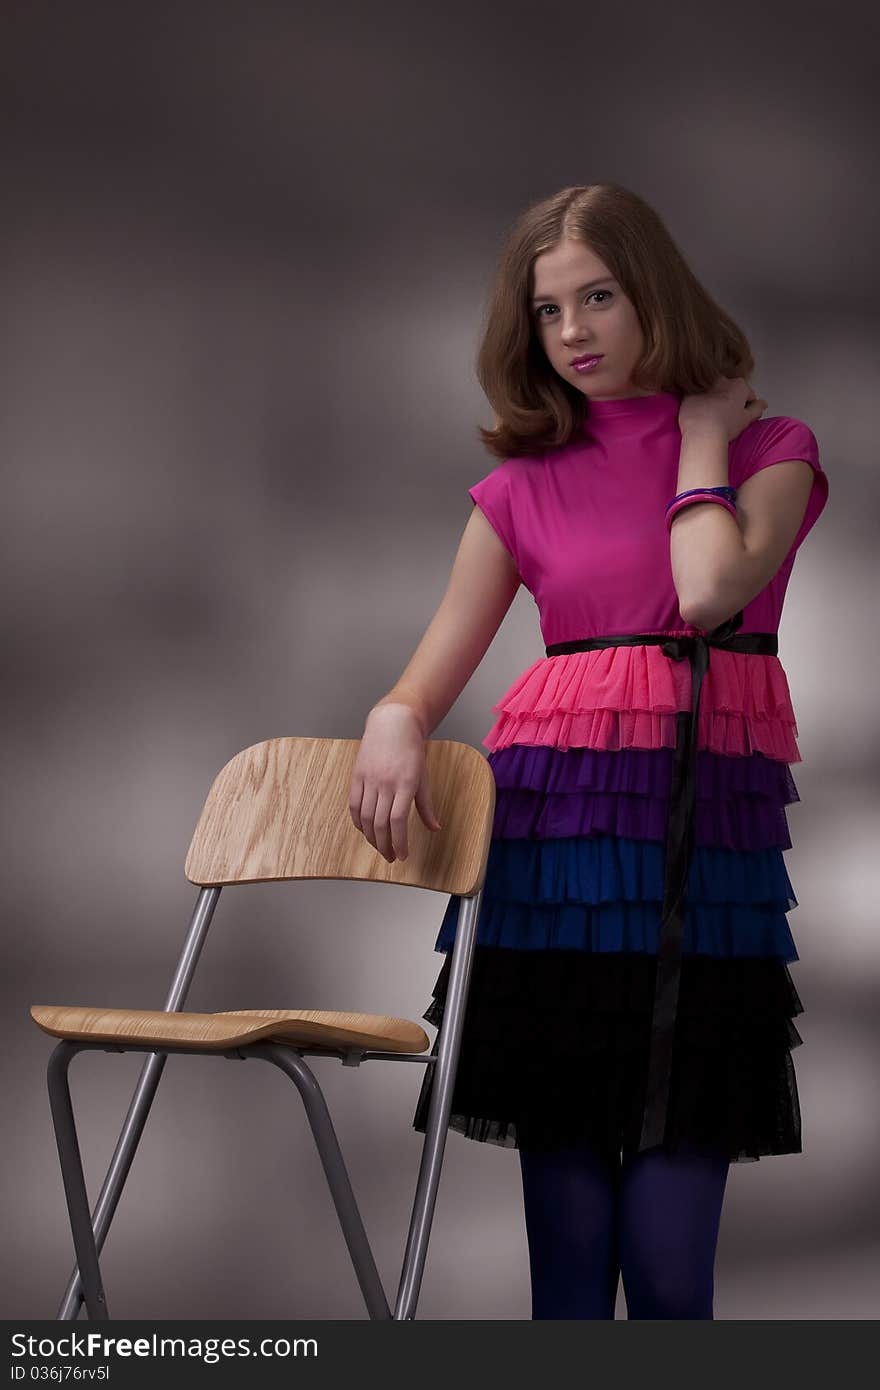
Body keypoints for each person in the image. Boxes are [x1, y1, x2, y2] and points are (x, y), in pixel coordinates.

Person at [348, 182, 829, 1319]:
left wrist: (700, 432)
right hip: (553, 873)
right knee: (566, 1280)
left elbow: (708, 590)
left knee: (667, 1274)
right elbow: (426, 678)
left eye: (598, 297)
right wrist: (392, 718)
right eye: (549, 311)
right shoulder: (519, 487)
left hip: (703, 879)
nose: (571, 333)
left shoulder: (774, 446)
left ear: (651, 290)